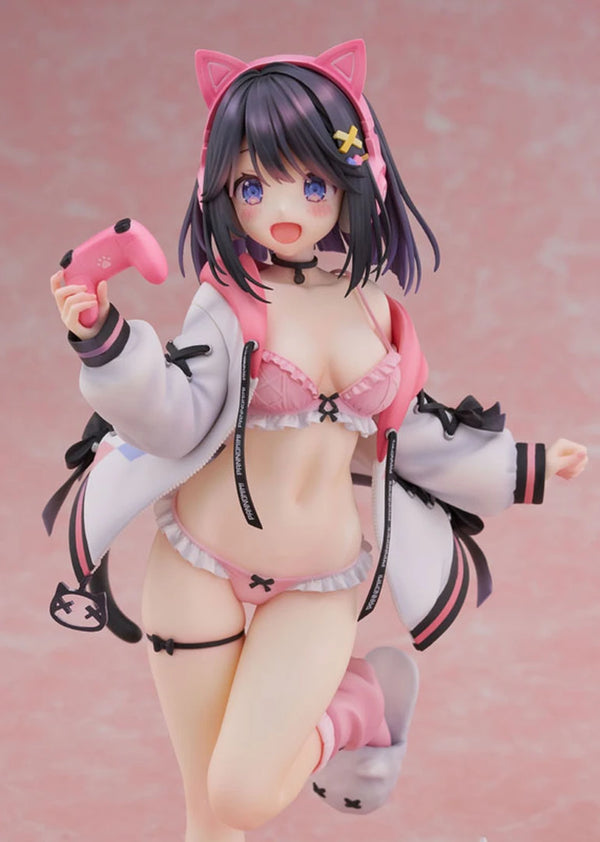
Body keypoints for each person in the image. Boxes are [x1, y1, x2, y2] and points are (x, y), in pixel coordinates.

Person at [48, 40, 587, 842]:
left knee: (242, 794)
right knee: (208, 813)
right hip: (199, 561)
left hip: (319, 580)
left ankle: (357, 708)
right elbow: (172, 415)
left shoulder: (375, 310)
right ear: (221, 190)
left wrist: (524, 465)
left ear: (352, 179)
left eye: (310, 182)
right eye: (252, 185)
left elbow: (411, 436)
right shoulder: (229, 303)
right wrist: (105, 342)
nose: (283, 207)